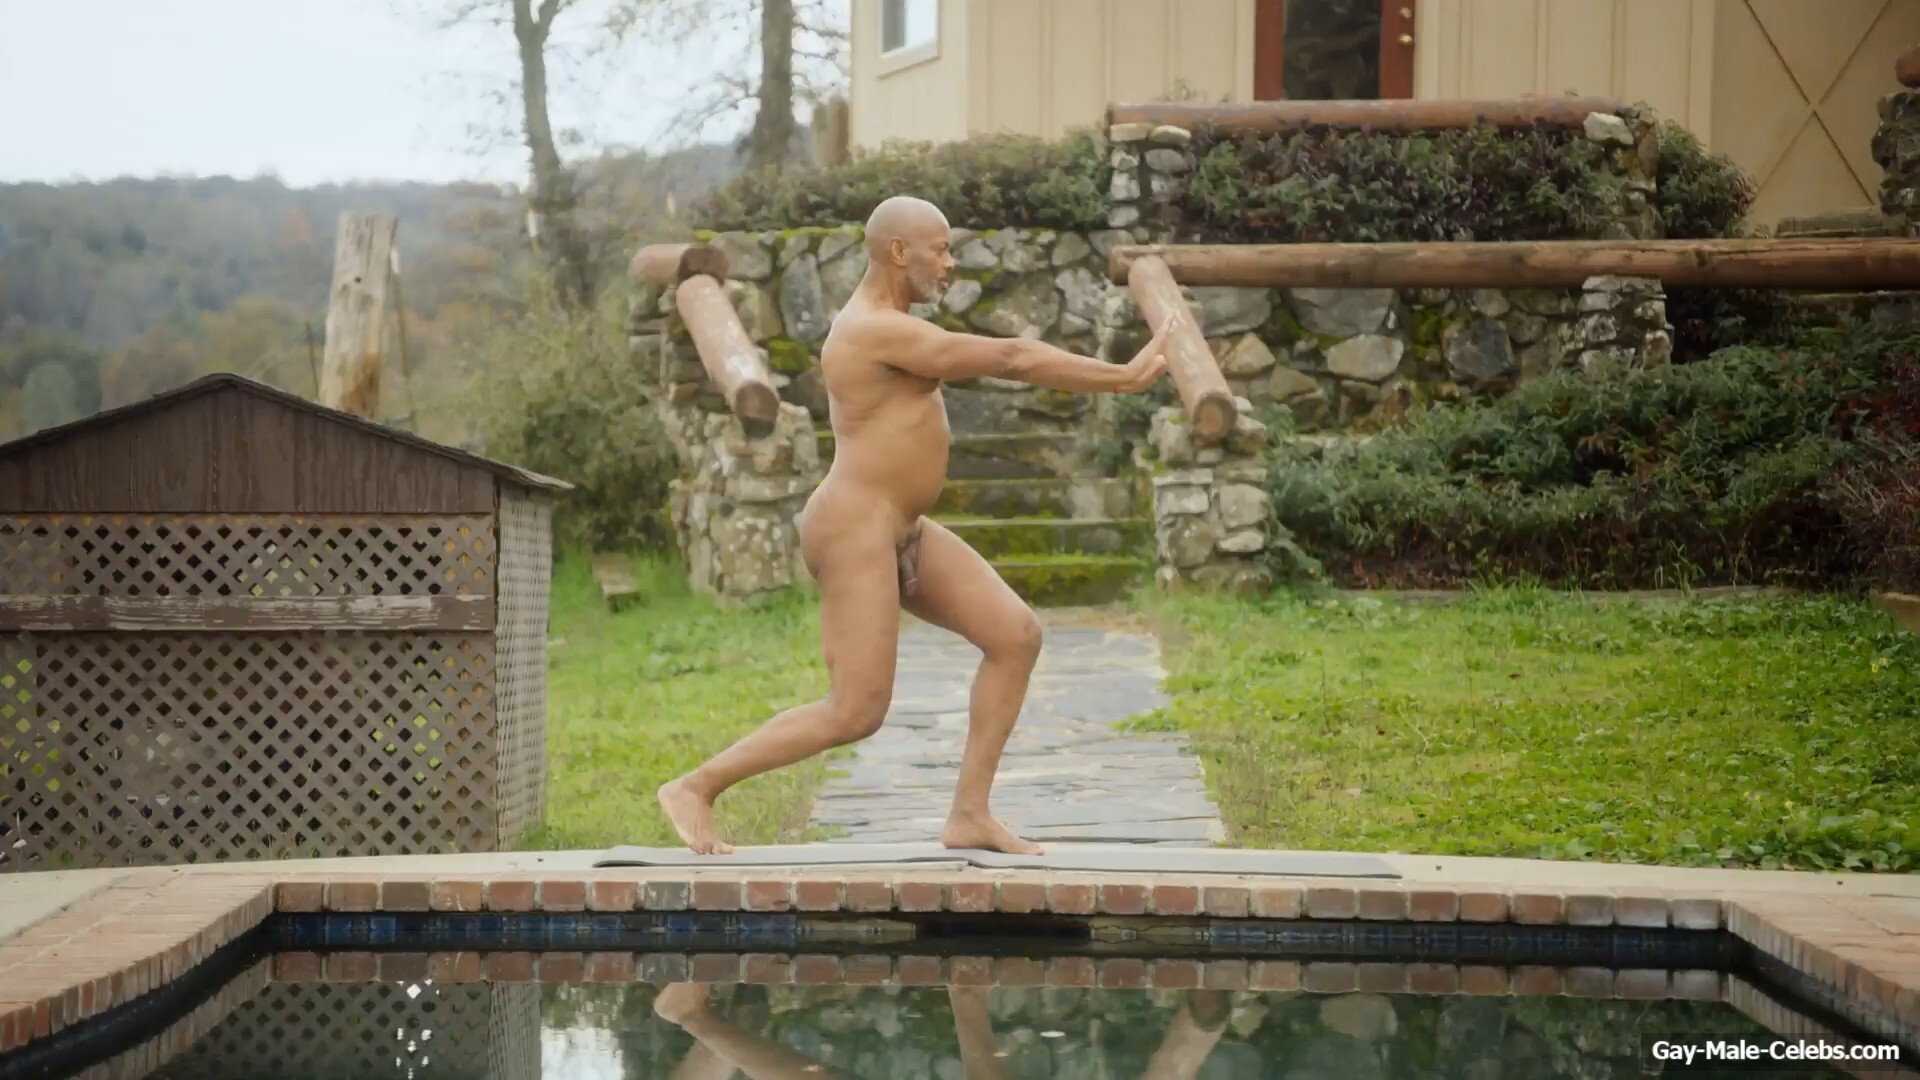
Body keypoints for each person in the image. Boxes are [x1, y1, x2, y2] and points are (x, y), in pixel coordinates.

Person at [657, 195, 1177, 856]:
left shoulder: (895, 324)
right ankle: (696, 787)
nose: (951, 263)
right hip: (855, 528)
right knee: (855, 711)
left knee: (1015, 636)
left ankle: (970, 814)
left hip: (903, 525)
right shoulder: (871, 329)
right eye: (942, 249)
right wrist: (1121, 378)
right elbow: (1011, 357)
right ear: (899, 252)